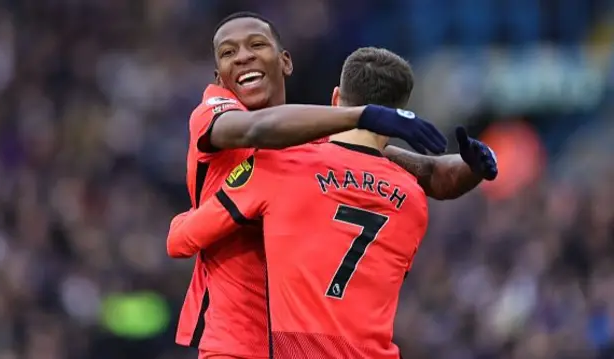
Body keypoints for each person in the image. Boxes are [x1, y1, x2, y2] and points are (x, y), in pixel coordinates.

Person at [171, 12, 497, 359]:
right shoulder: (212, 112)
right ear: (218, 77)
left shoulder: (312, 144)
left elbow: (429, 172)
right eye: (228, 52)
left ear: (286, 62)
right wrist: (362, 115)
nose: (243, 56)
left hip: (296, 344)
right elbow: (255, 129)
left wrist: (474, 165)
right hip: (237, 342)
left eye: (256, 44)